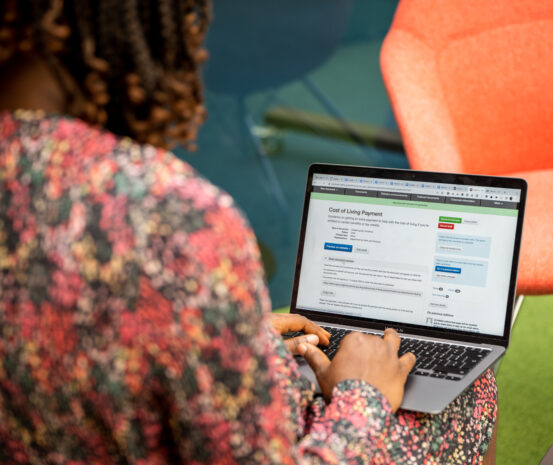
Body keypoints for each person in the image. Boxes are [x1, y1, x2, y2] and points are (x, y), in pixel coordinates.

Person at [0, 1, 497, 464]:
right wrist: (361, 396)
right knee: (467, 391)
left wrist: (233, 338)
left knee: (302, 369)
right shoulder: (175, 220)